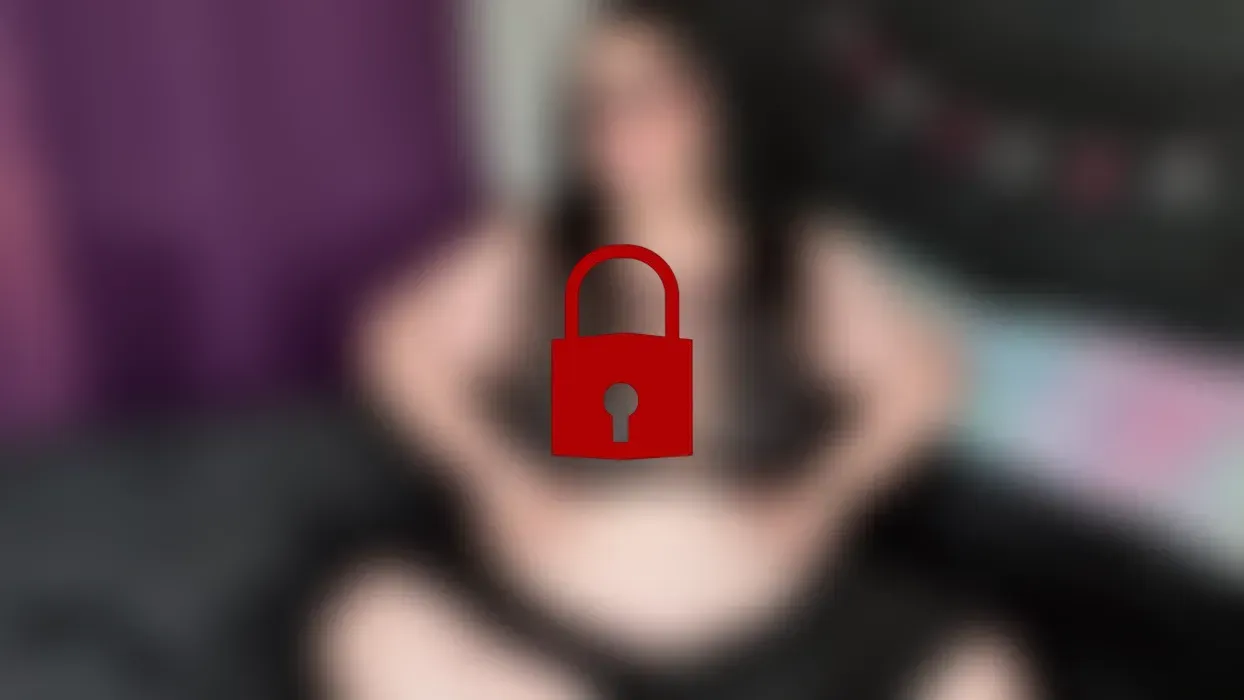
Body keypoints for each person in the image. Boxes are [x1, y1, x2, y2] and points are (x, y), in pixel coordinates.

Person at [307, 1, 1037, 698]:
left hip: (772, 639)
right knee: (370, 623)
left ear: (715, 106)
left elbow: (925, 374)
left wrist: (823, 497)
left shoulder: (792, 254)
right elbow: (395, 343)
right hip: (550, 636)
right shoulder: (534, 248)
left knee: (979, 673)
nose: (619, 122)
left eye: (649, 93)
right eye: (596, 101)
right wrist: (497, 478)